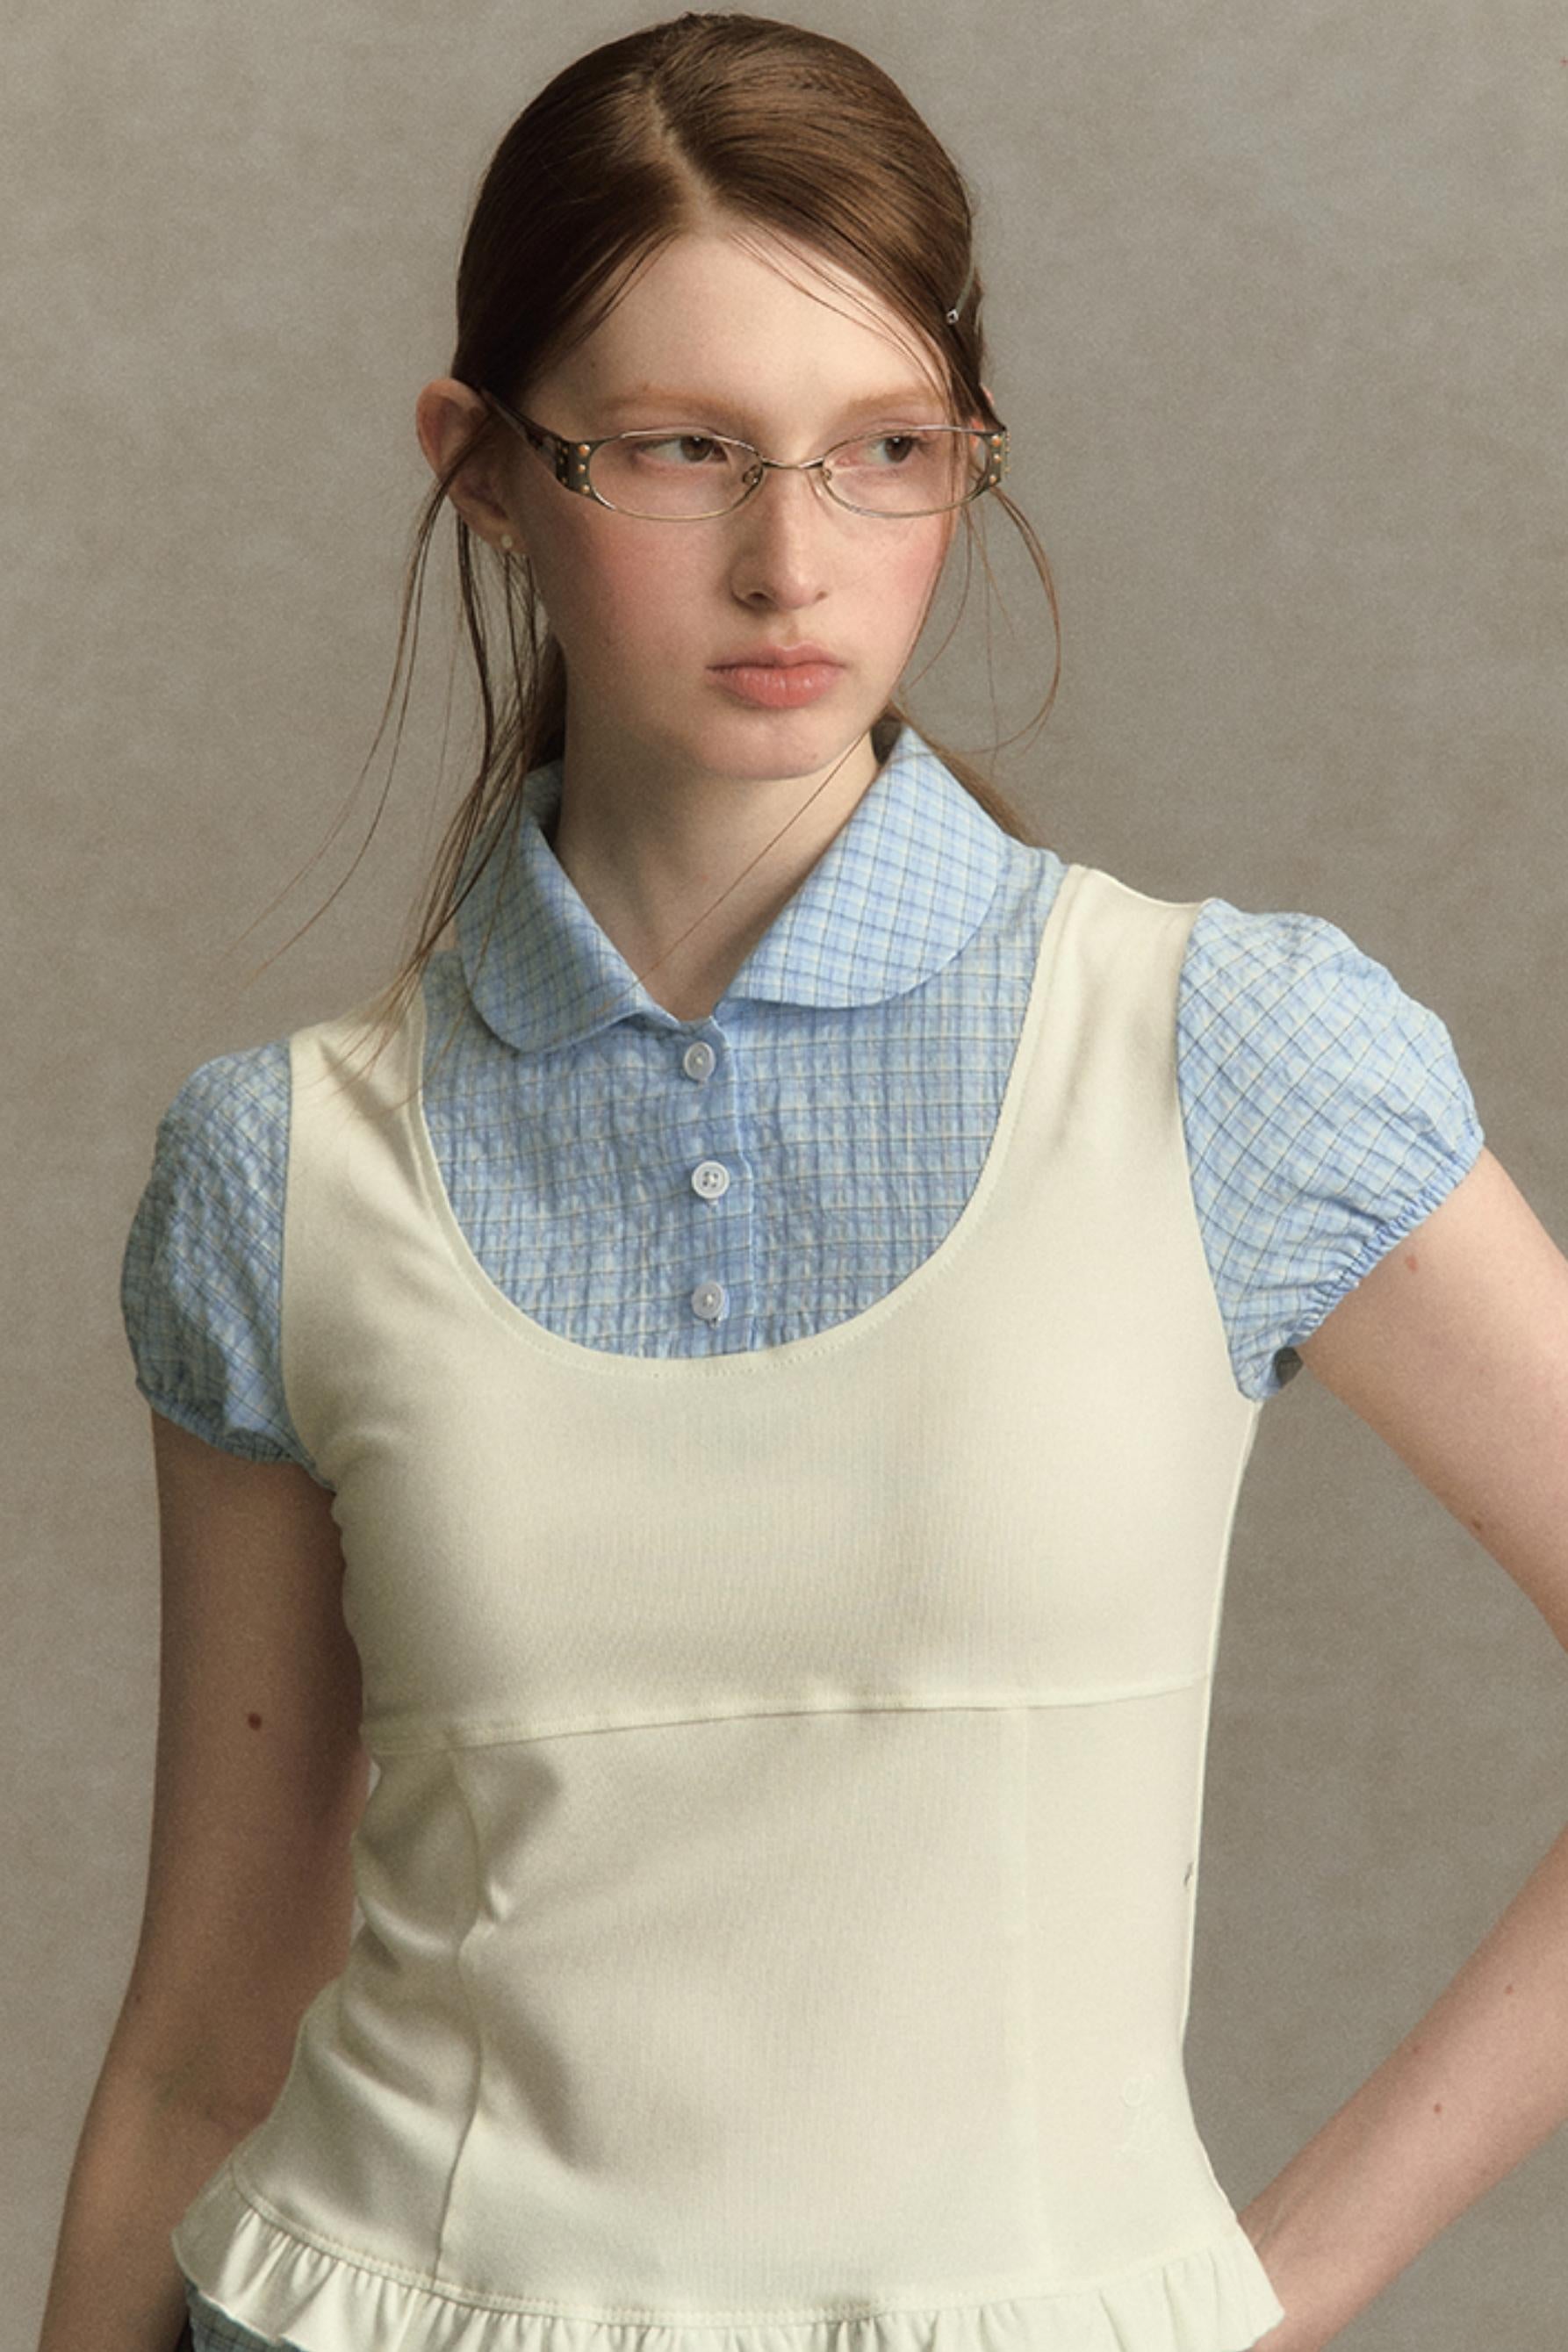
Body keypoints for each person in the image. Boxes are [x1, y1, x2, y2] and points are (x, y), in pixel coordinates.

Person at [37, 13, 1568, 2352]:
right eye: (681, 448)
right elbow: (201, 2041)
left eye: (884, 452)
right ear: (483, 467)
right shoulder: (283, 1169)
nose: (791, 561)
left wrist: (1262, 2304)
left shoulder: (1227, 1058)